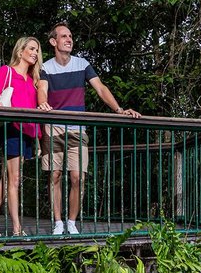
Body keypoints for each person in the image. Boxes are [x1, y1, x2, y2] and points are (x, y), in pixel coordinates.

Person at [36, 21, 140, 235]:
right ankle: (58, 222)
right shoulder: (46, 67)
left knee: (78, 177)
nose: (69, 39)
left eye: (70, 36)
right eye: (64, 36)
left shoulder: (82, 64)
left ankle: (71, 222)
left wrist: (119, 110)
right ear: (53, 41)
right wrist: (43, 102)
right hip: (53, 127)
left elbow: (100, 88)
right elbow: (42, 89)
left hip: (77, 128)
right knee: (54, 175)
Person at [0, 37, 43, 237]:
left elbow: (35, 111)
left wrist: (39, 137)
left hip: (27, 134)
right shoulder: (6, 72)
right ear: (20, 50)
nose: (35, 53)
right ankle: (17, 229)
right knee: (14, 179)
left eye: (37, 50)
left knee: (9, 179)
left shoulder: (33, 80)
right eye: (31, 48)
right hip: (11, 130)